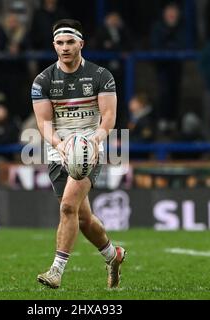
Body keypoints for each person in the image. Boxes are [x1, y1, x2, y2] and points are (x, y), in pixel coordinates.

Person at [31, 19, 126, 289]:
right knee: (82, 218)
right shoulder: (43, 80)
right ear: (54, 46)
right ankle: (113, 255)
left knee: (67, 207)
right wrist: (58, 144)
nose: (65, 48)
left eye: (70, 42)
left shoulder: (101, 76)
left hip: (89, 150)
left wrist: (95, 140)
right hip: (58, 151)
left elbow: (108, 117)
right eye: (60, 43)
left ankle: (56, 271)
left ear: (81, 44)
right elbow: (44, 123)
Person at [150, 2, 186, 135]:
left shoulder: (182, 27)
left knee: (175, 93)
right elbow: (156, 46)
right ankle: (162, 122)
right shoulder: (158, 27)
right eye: (169, 11)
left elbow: (183, 45)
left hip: (176, 68)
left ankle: (173, 123)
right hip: (162, 67)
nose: (172, 14)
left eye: (174, 11)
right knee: (163, 92)